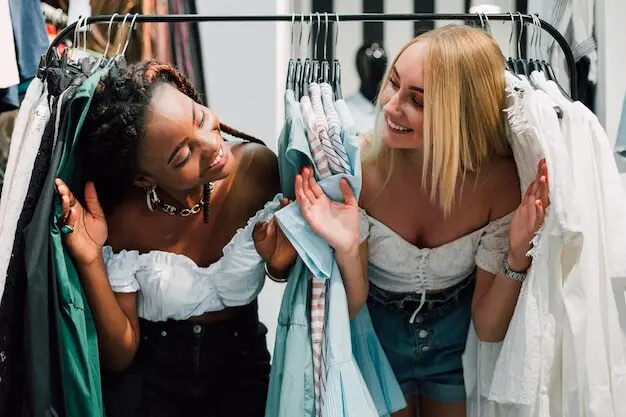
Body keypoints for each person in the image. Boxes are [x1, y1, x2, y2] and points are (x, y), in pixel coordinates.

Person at [290, 25, 550, 417]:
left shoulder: (498, 183)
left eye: (418, 100)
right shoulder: (360, 168)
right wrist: (346, 248)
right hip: (376, 344)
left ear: (461, 115)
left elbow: (488, 327)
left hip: (455, 351)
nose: (391, 107)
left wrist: (517, 256)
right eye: (393, 84)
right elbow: (353, 305)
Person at [53, 60, 296, 417]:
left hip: (241, 376)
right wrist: (90, 259)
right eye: (183, 156)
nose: (211, 144)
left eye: (200, 118)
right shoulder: (121, 219)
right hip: (149, 387)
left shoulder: (256, 172)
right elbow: (119, 356)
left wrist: (279, 264)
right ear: (144, 179)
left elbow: (291, 273)